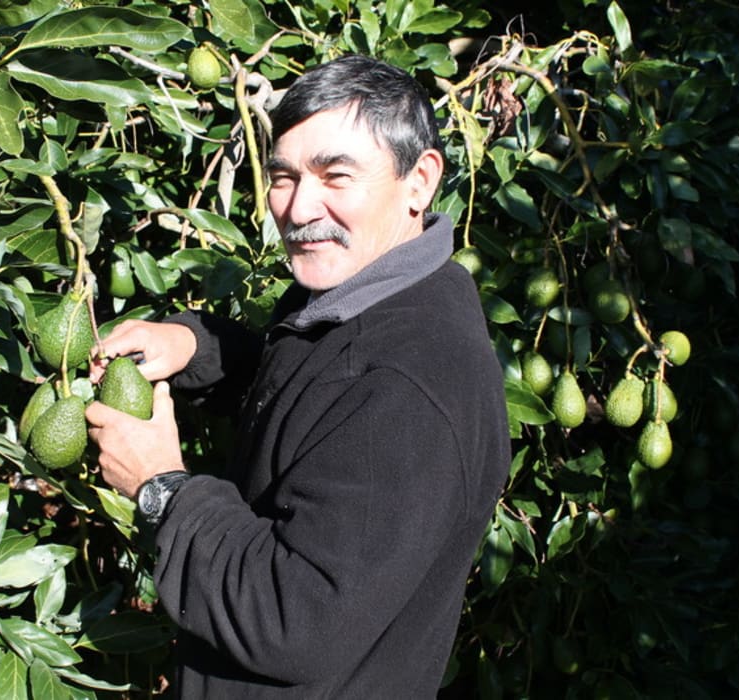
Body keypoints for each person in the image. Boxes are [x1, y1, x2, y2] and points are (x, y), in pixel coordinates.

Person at [86, 54, 511, 698]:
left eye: (335, 175)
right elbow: (313, 404)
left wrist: (161, 489)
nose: (298, 206)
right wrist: (194, 345)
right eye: (283, 176)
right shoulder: (369, 296)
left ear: (419, 180)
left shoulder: (410, 383)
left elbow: (295, 618)